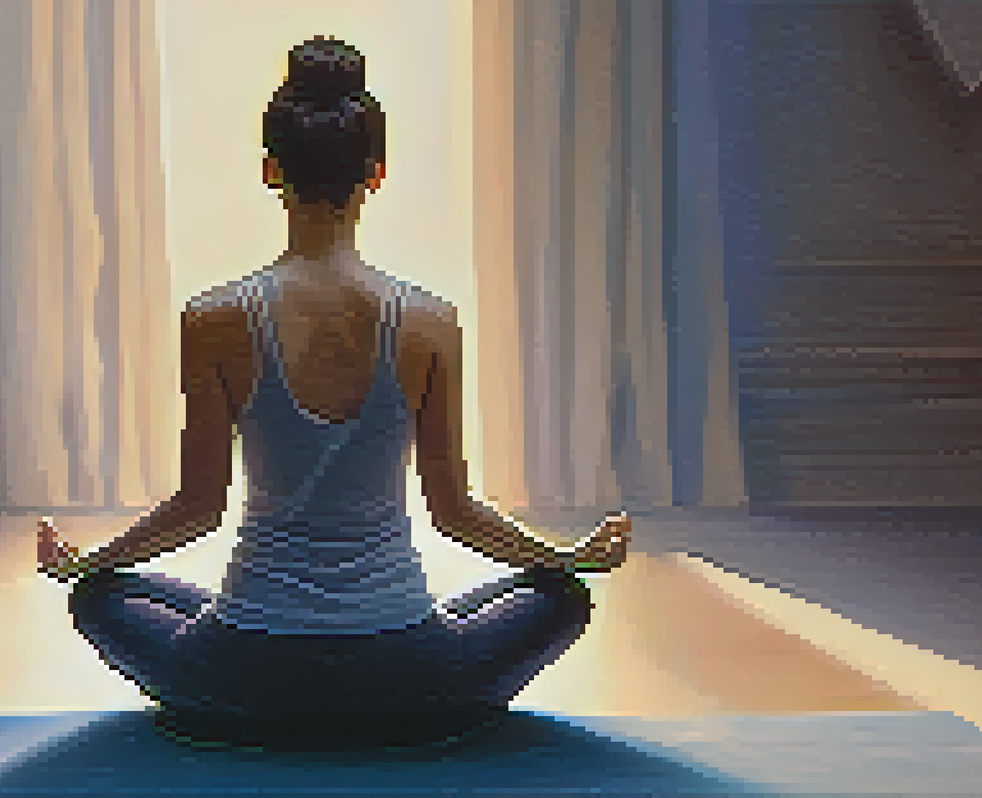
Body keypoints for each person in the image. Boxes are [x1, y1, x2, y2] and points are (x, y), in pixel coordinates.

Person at [37, 36, 631, 750]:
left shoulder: (215, 318)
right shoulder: (430, 321)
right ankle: (414, 703)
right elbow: (455, 513)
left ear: (270, 171)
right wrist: (567, 557)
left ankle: (235, 709)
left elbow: (198, 510)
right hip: (409, 679)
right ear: (376, 175)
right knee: (559, 597)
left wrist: (88, 561)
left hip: (242, 680)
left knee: (101, 595)